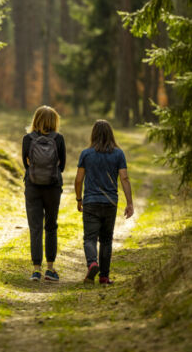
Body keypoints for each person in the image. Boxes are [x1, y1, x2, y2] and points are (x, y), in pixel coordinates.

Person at [75, 119, 134, 285]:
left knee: (90, 238)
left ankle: (92, 263)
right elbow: (124, 178)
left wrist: (79, 198)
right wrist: (129, 202)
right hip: (110, 203)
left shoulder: (86, 154)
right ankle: (104, 276)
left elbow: (79, 179)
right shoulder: (118, 154)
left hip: (91, 202)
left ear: (93, 134)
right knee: (107, 240)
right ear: (111, 134)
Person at [22, 105, 66, 282]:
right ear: (54, 121)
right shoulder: (59, 139)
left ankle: (35, 270)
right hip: (53, 187)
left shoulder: (27, 138)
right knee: (51, 226)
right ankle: (50, 269)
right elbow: (62, 166)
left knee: (35, 228)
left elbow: (25, 164)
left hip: (32, 186)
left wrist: (35, 173)